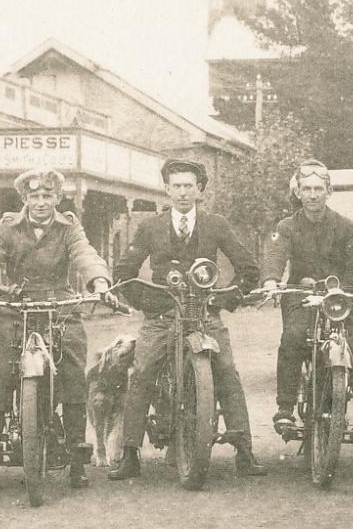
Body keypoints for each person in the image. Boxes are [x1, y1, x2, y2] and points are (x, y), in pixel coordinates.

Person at [107, 158, 267, 480]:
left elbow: (249, 269)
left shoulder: (216, 224)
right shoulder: (150, 227)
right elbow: (124, 271)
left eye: (188, 186)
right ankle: (129, 454)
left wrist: (224, 299)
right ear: (166, 189)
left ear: (200, 189)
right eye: (176, 186)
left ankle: (244, 450)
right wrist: (147, 304)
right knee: (142, 372)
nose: (182, 192)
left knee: (226, 372)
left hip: (204, 315)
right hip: (162, 316)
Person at [0, 168, 113, 491]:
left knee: (72, 371)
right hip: (14, 307)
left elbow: (84, 254)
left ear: (58, 198)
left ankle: (76, 460)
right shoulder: (7, 226)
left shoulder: (69, 227)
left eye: (47, 196)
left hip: (58, 306)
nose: (41, 202)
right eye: (34, 196)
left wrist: (98, 282)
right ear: (24, 199)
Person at [261, 159, 353, 473]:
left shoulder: (345, 226)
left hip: (342, 299)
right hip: (302, 297)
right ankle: (285, 409)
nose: (312, 195)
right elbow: (275, 256)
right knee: (293, 338)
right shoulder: (286, 227)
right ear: (297, 191)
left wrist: (339, 290)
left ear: (329, 191)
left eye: (318, 189)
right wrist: (271, 281)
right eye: (306, 188)